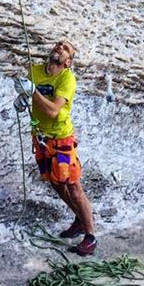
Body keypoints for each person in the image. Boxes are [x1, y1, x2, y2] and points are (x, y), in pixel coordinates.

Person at [14, 39, 97, 254]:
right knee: (56, 184)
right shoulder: (35, 70)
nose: (60, 47)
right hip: (41, 137)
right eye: (59, 44)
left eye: (66, 49)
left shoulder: (67, 78)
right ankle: (79, 219)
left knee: (74, 187)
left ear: (68, 62)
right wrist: (21, 100)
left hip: (61, 139)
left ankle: (91, 236)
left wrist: (32, 92)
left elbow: (52, 111)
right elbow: (30, 97)